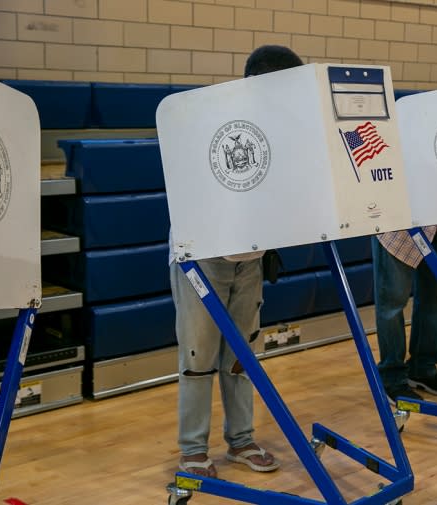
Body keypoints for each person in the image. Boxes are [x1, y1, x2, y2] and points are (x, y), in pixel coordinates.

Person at [170, 45, 303, 479]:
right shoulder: (212, 116)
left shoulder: (286, 125)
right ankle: (192, 449)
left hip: (251, 255)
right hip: (203, 254)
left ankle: (241, 440)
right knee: (198, 352)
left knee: (242, 352)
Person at [372, 224, 437, 403]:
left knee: (433, 300)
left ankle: (423, 369)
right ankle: (391, 377)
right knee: (392, 305)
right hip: (396, 227)